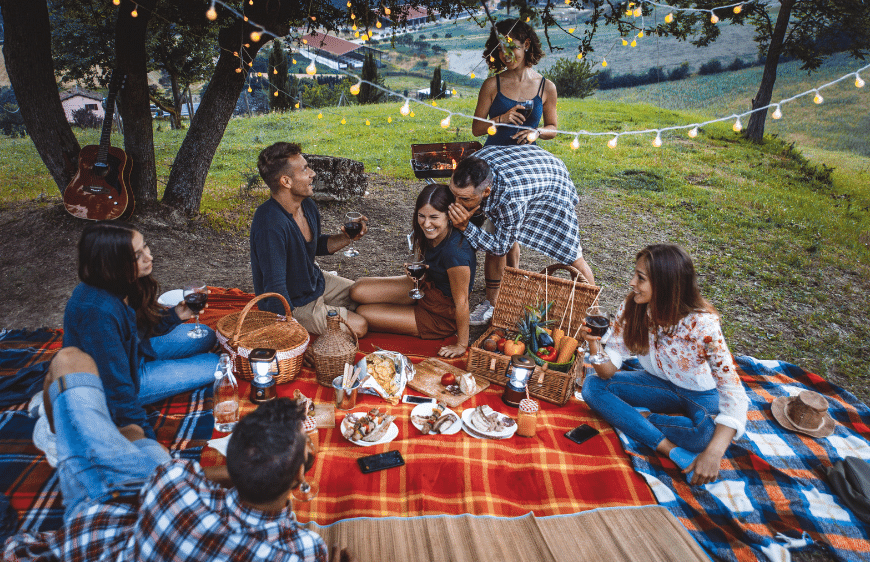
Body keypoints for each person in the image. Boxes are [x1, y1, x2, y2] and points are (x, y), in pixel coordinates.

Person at [4, 347, 357, 562]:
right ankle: (89, 442)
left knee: (73, 366)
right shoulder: (304, 550)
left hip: (100, 524)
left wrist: (268, 463)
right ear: (300, 475)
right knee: (137, 439)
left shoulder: (175, 485)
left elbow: (177, 477)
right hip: (114, 506)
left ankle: (73, 442)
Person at [580, 244, 749, 486]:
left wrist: (713, 454)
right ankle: (671, 449)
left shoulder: (703, 326)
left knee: (706, 436)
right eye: (634, 275)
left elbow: (733, 393)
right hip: (657, 384)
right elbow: (607, 372)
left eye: (640, 278)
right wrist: (594, 345)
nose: (631, 283)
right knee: (592, 387)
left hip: (701, 393)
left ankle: (632, 417)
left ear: (666, 284)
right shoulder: (634, 308)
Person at [62, 221, 218, 442]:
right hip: (125, 379)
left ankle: (158, 362)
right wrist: (148, 444)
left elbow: (137, 330)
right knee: (215, 365)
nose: (149, 257)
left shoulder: (123, 282)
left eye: (145, 246)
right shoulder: (98, 313)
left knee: (205, 334)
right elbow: (117, 388)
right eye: (137, 255)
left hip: (135, 352)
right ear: (112, 263)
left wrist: (177, 315)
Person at [447, 146, 595, 325]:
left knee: (571, 253)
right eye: (454, 195)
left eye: (464, 199)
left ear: (486, 191)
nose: (457, 204)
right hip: (525, 167)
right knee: (501, 229)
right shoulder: (473, 165)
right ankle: (494, 302)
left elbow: (500, 246)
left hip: (553, 180)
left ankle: (594, 315)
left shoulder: (510, 198)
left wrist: (465, 227)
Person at [250, 142, 368, 337]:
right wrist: (289, 334)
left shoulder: (308, 206)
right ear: (286, 181)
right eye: (305, 169)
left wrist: (347, 238)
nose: (312, 173)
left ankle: (332, 309)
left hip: (314, 282)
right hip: (294, 304)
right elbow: (275, 289)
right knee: (360, 325)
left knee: (365, 296)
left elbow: (312, 246)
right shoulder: (269, 224)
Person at [350, 184, 475, 358]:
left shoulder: (455, 253)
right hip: (423, 288)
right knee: (357, 290)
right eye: (421, 216)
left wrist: (462, 344)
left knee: (363, 313)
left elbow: (462, 303)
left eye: (434, 217)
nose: (426, 223)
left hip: (439, 315)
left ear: (449, 217)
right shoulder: (426, 234)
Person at [472, 18, 558, 147]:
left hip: (528, 156)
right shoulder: (491, 85)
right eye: (501, 49)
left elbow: (552, 128)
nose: (506, 54)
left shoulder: (546, 87)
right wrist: (501, 119)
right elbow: (477, 129)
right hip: (495, 153)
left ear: (526, 45)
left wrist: (537, 132)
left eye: (511, 47)